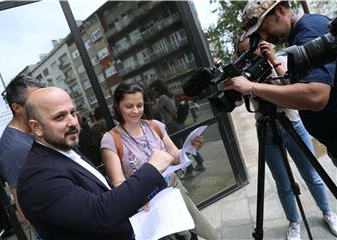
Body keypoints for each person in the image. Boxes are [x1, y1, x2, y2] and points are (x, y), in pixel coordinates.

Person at [17, 87, 174, 240]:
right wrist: (151, 169)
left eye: (72, 113)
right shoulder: (37, 176)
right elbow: (98, 214)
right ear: (36, 127)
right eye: (59, 117)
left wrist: (133, 201)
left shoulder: (65, 150)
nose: (72, 122)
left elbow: (102, 193)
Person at [235, 37, 336, 240]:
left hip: (292, 123)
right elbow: (236, 101)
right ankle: (293, 223)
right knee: (282, 183)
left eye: (253, 50)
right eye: (245, 54)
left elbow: (293, 85)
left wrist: (273, 61)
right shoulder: (245, 75)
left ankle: (328, 212)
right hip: (266, 128)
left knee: (311, 174)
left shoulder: (281, 59)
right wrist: (236, 75)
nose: (252, 56)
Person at [223, 0, 337, 167]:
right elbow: (298, 83)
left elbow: (316, 95)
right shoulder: (302, 32)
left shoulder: (308, 33)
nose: (263, 36)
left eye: (263, 28)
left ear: (281, 10)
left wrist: (252, 87)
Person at [101, 82, 218, 240]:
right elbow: (118, 182)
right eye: (129, 106)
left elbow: (175, 155)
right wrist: (134, 201)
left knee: (191, 231)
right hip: (148, 203)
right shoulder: (110, 140)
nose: (136, 111)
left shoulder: (154, 126)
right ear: (117, 106)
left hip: (173, 189)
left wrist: (189, 147)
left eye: (139, 105)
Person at [0, 75, 44, 229]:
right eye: (34, 103)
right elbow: (23, 205)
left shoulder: (33, 129)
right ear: (16, 108)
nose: (42, 106)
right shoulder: (13, 148)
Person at [150, 80, 206, 179]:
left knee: (180, 148)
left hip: (172, 125)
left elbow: (155, 110)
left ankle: (189, 171)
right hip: (179, 122)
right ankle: (200, 162)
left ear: (156, 89)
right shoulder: (169, 95)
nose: (153, 92)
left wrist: (154, 99)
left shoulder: (162, 98)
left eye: (153, 90)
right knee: (188, 144)